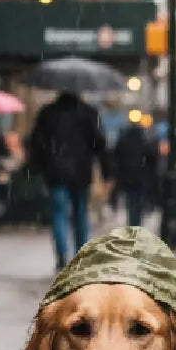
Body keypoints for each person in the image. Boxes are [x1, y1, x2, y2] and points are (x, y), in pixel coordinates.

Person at [26, 90, 113, 269]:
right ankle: (80, 256)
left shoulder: (48, 113)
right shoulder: (88, 113)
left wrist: (39, 166)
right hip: (81, 172)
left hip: (56, 172)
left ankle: (61, 255)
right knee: (80, 213)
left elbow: (37, 142)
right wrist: (108, 172)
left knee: (59, 213)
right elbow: (99, 144)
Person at [112, 121, 157, 228]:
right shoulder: (144, 141)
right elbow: (151, 158)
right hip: (140, 177)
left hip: (128, 176)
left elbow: (117, 157)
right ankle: (136, 224)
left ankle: (132, 223)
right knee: (138, 201)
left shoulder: (123, 141)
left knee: (131, 202)